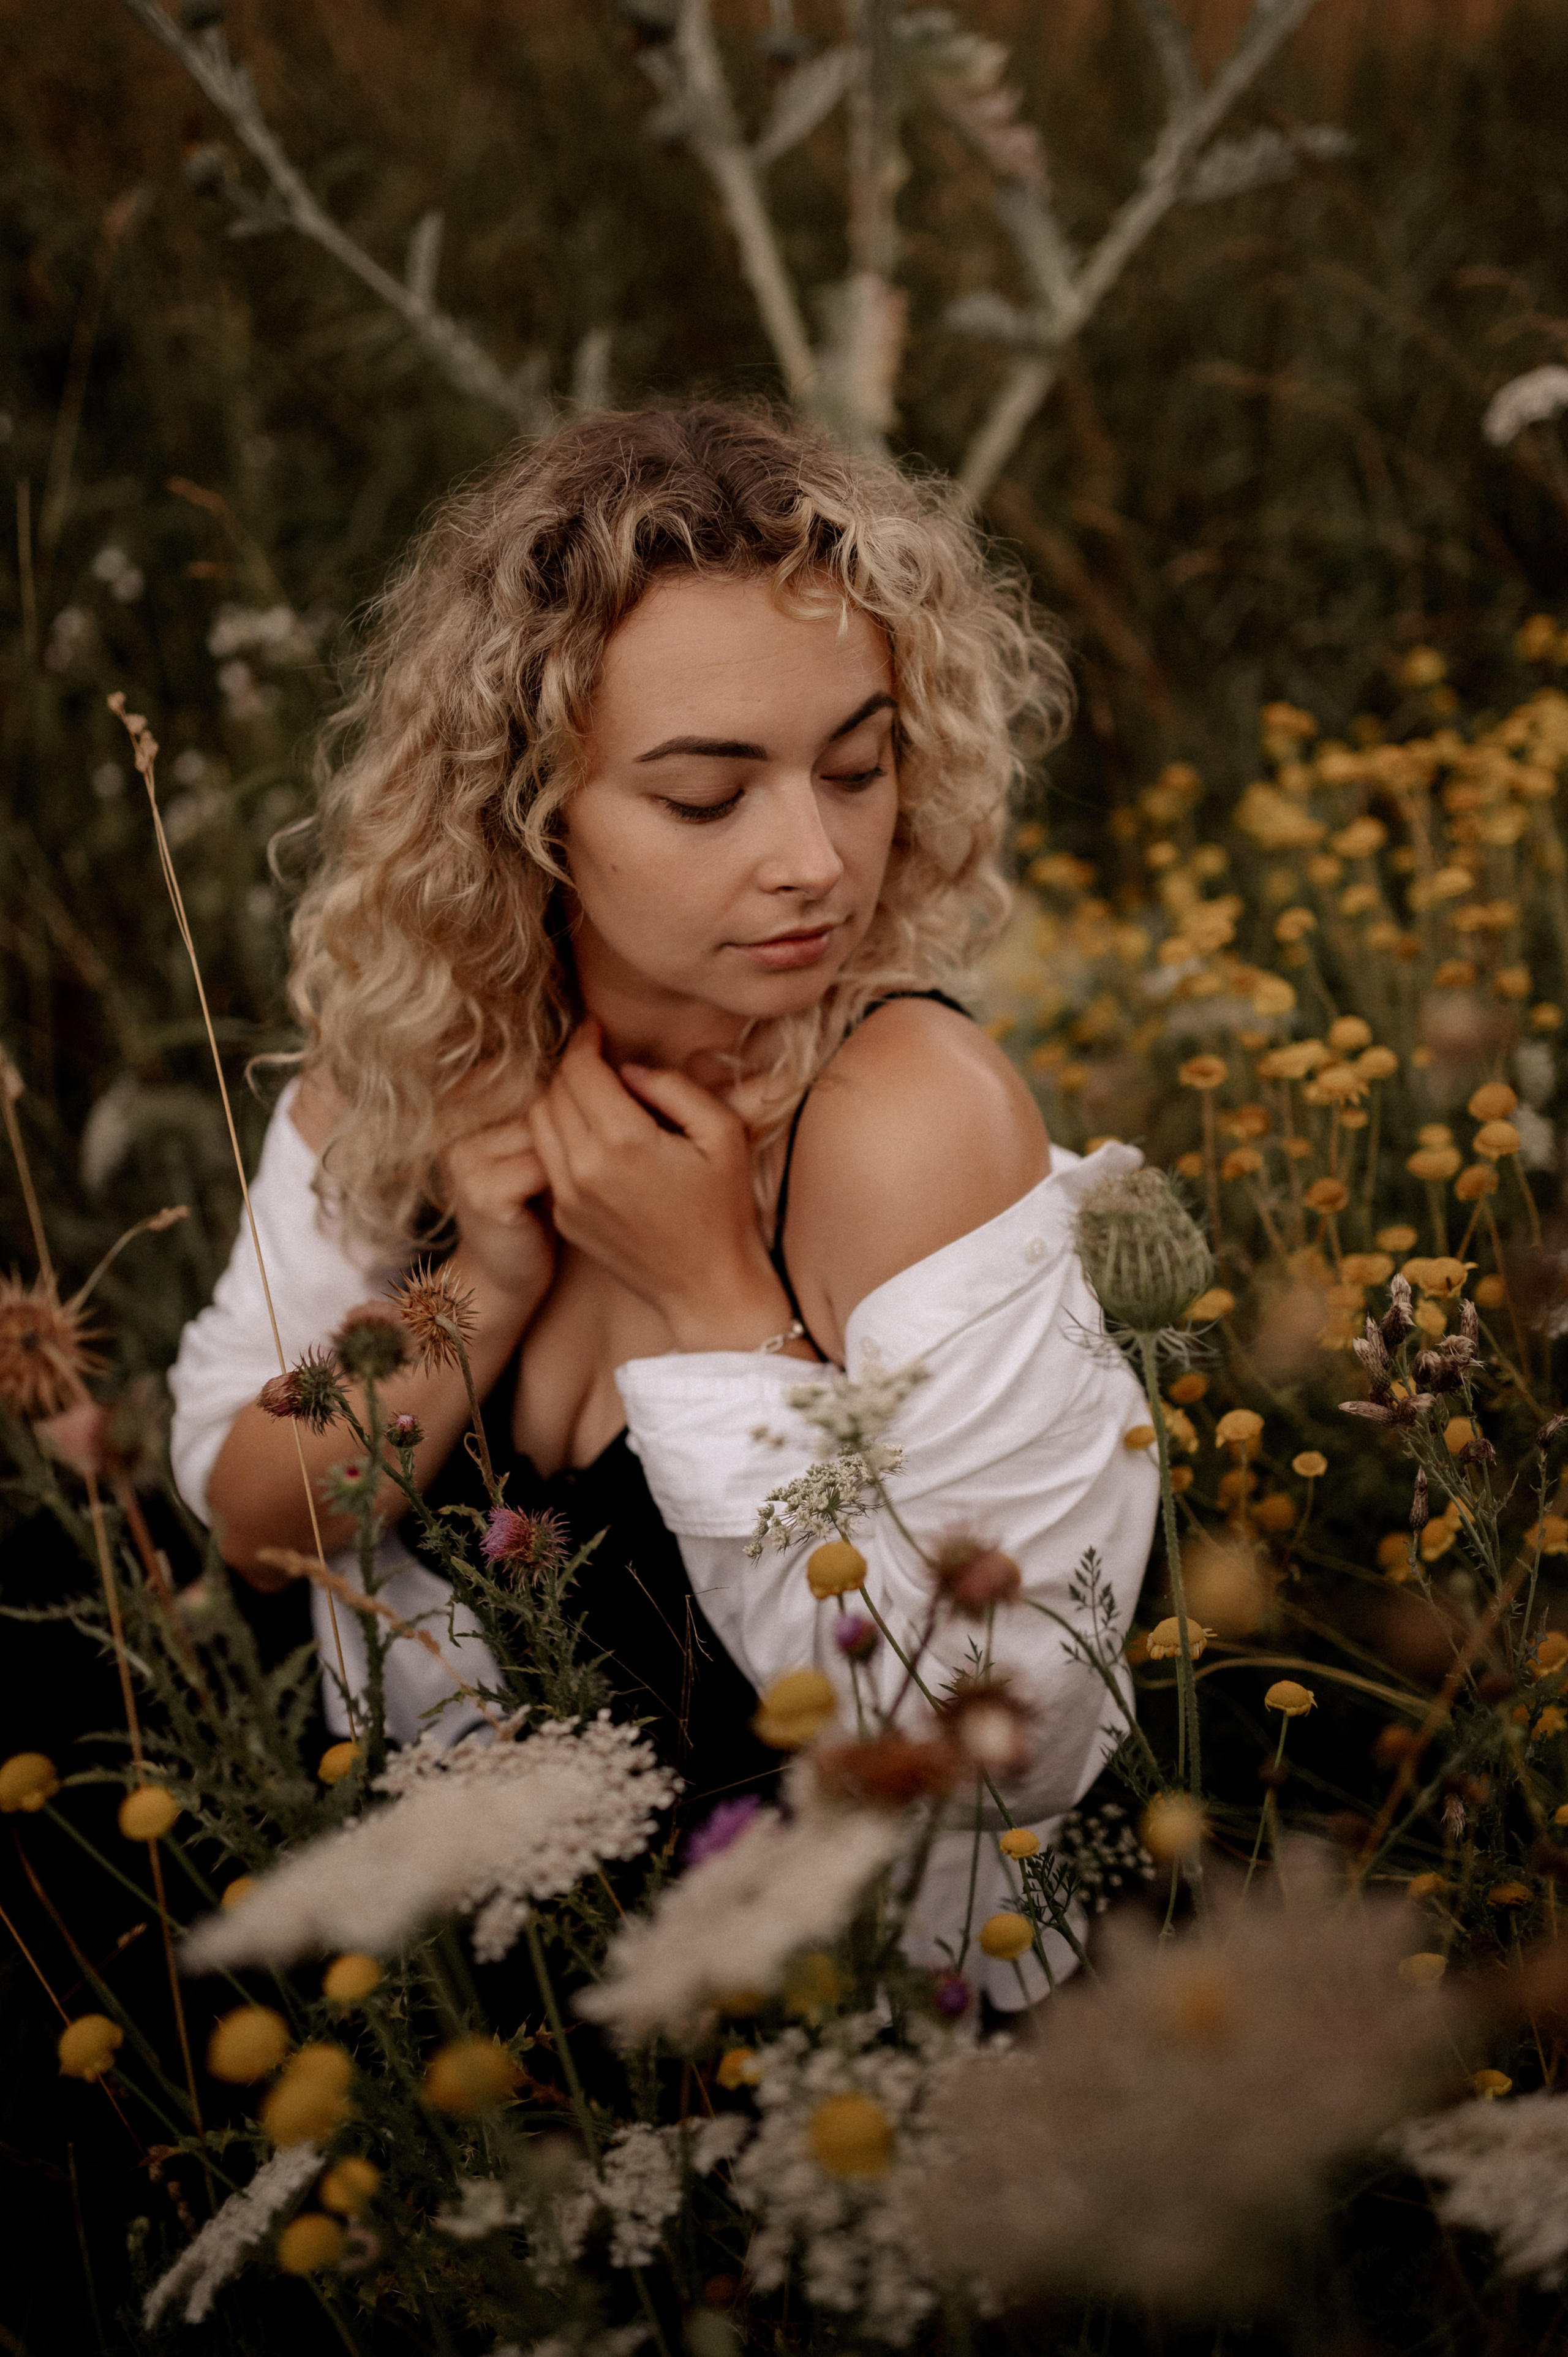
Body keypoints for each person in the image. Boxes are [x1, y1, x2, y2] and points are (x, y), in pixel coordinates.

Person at [168, 404, 1157, 2004]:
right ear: (528, 807)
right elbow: (260, 1524)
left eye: (858, 765)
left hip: (857, 2039)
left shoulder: (904, 1123)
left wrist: (716, 1311)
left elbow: (1011, 1736)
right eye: (709, 798)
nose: (817, 861)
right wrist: (476, 1289)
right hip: (481, 2036)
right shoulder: (406, 1082)